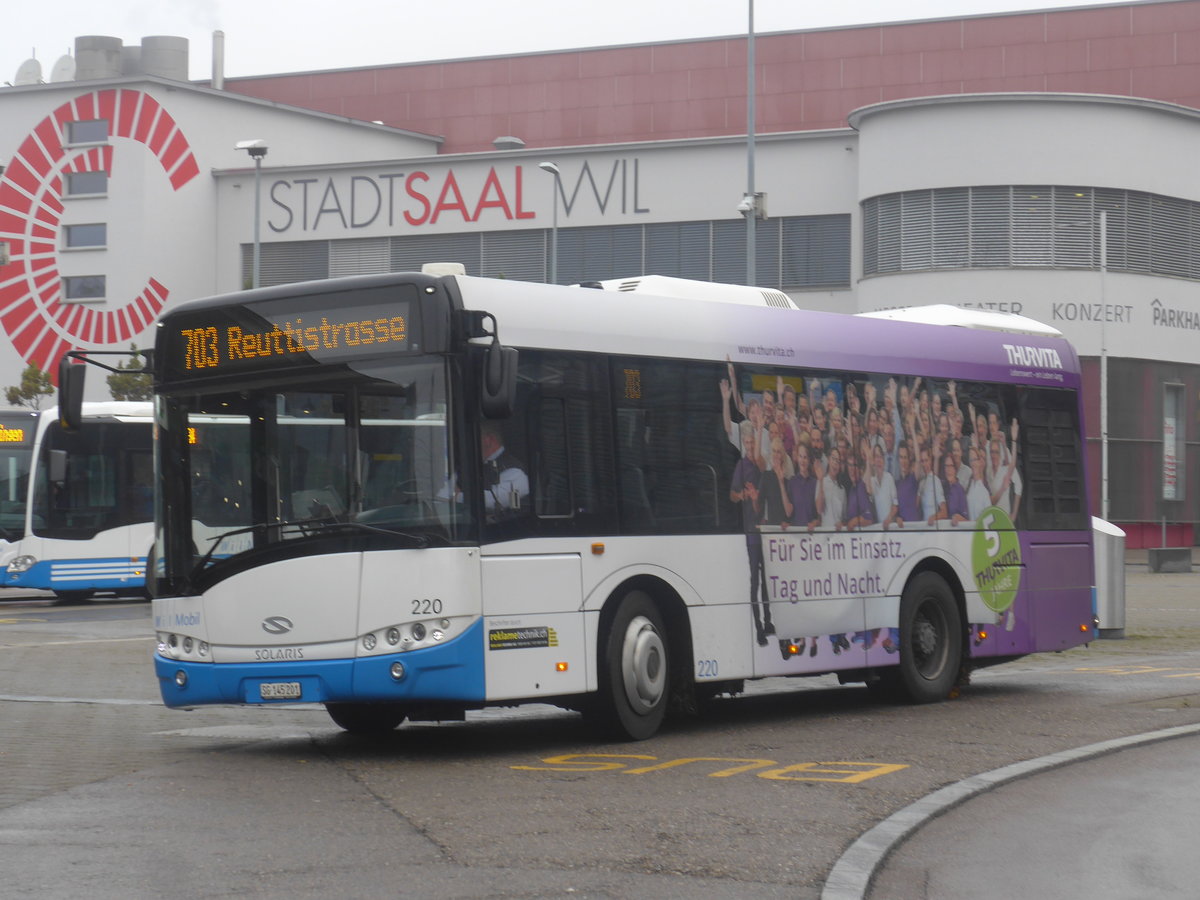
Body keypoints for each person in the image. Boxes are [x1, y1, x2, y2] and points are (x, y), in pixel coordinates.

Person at [481, 421, 529, 514]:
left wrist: (458, 496)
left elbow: (495, 501)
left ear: (488, 439)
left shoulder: (514, 470)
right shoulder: (471, 467)